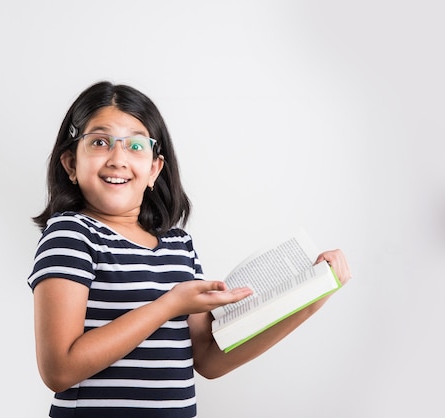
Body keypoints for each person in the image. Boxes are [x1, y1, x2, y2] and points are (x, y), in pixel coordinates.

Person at [27, 81, 352, 418]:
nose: (118, 158)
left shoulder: (177, 245)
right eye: (99, 142)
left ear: (154, 168)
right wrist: (169, 305)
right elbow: (59, 370)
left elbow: (210, 360)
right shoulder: (70, 234)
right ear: (70, 164)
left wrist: (310, 302)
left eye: (135, 146)